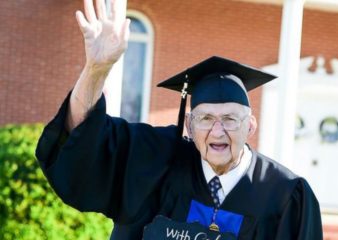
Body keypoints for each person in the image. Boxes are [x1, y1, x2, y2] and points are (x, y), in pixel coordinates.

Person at [36, 0, 323, 239]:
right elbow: (87, 142)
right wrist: (96, 70)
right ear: (189, 126)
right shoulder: (156, 162)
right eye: (206, 118)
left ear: (250, 125)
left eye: (230, 119)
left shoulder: (286, 196)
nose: (217, 130)